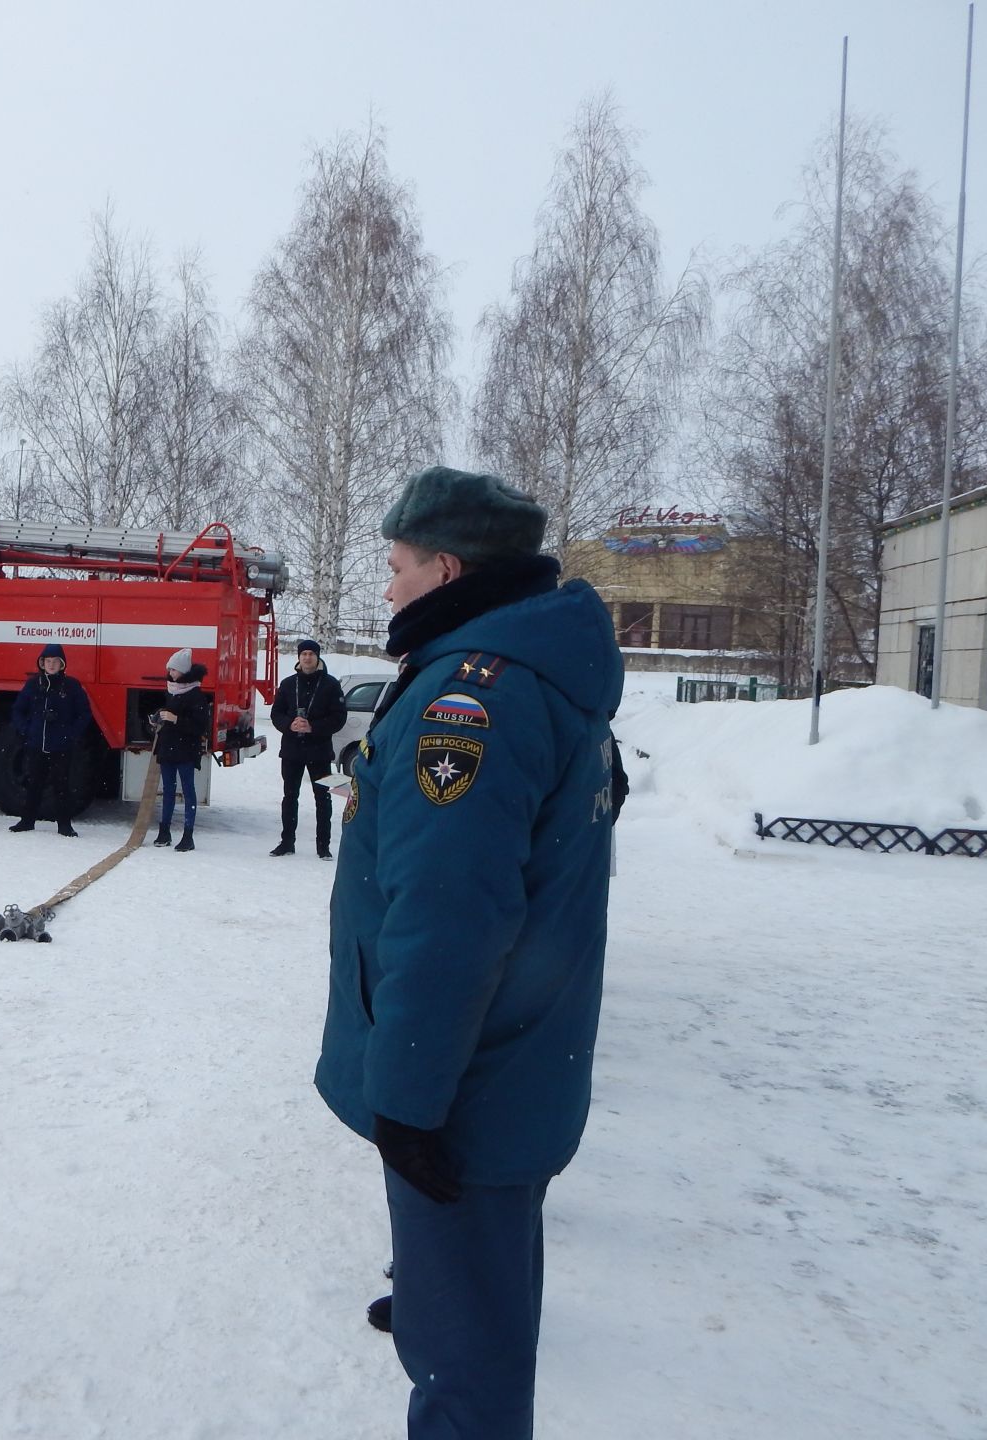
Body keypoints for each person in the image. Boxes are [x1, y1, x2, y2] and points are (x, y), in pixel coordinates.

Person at [314, 465, 621, 1438]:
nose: (390, 587)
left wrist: (404, 1099)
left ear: (447, 568)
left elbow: (452, 917)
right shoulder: (513, 668)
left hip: (463, 1093)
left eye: (399, 567)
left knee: (465, 1370)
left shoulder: (472, 699)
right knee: (472, 1323)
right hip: (499, 1071)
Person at [270, 639, 348, 859]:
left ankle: (323, 846)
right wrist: (289, 724)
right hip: (292, 750)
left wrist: (314, 727)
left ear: (317, 657)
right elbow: (276, 714)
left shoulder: (330, 684)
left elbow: (339, 717)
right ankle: (287, 842)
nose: (307, 658)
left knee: (323, 798)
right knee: (289, 796)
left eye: (311, 654)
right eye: (303, 654)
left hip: (319, 750)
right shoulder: (287, 684)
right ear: (298, 657)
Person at [7, 643, 91, 837]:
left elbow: (84, 714)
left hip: (61, 745)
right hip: (37, 743)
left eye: (55, 661)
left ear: (62, 664)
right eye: (47, 661)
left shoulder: (71, 685)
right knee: (34, 783)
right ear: (42, 663)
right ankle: (27, 821)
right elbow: (18, 710)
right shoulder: (33, 684)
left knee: (61, 785)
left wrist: (70, 734)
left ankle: (64, 824)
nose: (51, 665)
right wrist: (27, 730)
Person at [150, 647, 208, 853]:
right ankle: (164, 831)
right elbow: (170, 714)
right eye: (169, 669)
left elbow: (200, 725)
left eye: (173, 670)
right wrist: (160, 716)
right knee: (167, 790)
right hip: (168, 747)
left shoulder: (196, 694)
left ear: (183, 671)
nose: (170, 673)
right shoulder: (173, 690)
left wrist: (176, 720)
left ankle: (188, 834)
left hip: (185, 750)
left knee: (188, 790)